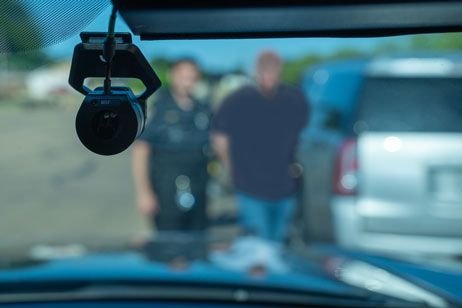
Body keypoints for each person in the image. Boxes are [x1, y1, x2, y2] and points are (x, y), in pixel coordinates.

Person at [212, 51, 309, 243]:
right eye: (264, 68)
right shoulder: (237, 100)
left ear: (280, 69)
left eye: (273, 68)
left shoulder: (294, 98)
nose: (269, 73)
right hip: (250, 188)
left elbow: (307, 135)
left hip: (286, 188)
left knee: (280, 246)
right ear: (255, 70)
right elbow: (219, 137)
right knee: (258, 248)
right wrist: (231, 169)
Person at [132, 58, 210, 233]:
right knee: (170, 244)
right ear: (172, 76)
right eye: (182, 76)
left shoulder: (202, 109)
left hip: (198, 185)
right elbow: (141, 150)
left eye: (191, 77)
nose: (187, 81)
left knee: (197, 241)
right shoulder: (159, 107)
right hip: (166, 187)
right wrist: (144, 192)